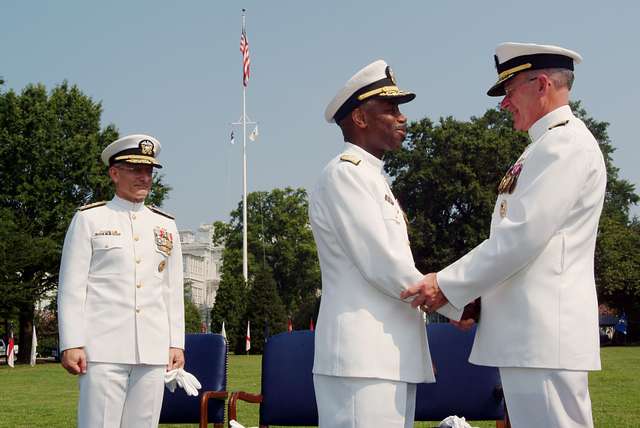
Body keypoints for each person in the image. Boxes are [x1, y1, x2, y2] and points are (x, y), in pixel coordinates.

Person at [402, 42, 606, 427]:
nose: (503, 103)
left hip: (544, 336)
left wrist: (447, 285)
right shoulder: (543, 148)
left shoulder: (564, 146)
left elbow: (520, 239)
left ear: (542, 84)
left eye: (509, 91)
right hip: (531, 336)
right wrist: (474, 299)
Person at [309, 59, 462, 428]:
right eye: (391, 109)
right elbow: (384, 266)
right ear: (360, 118)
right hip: (362, 357)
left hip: (386, 354)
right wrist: (459, 301)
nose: (402, 117)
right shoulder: (345, 175)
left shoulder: (373, 178)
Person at [57, 134, 185, 427]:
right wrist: (72, 343)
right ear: (114, 173)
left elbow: (171, 290)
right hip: (102, 348)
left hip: (153, 349)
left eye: (149, 171)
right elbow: (71, 288)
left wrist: (175, 342)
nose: (144, 177)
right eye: (135, 170)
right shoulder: (89, 219)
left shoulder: (165, 225)